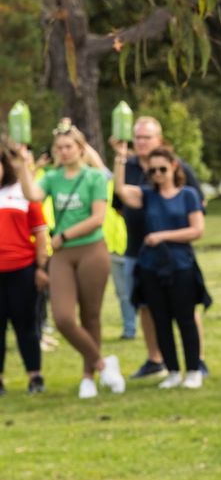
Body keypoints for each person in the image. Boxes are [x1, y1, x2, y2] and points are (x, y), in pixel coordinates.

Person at [13, 123, 124, 398]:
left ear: (80, 148)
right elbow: (32, 196)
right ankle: (102, 364)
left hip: (91, 250)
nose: (63, 152)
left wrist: (64, 234)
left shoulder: (94, 178)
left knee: (91, 316)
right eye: (59, 148)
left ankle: (88, 376)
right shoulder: (52, 177)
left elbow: (98, 217)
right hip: (62, 254)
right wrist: (23, 166)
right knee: (63, 317)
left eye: (68, 147)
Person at [113, 117, 209, 380]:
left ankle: (195, 365)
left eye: (162, 170)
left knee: (185, 314)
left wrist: (162, 235)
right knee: (156, 314)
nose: (157, 174)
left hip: (179, 262)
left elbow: (198, 226)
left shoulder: (186, 190)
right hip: (145, 259)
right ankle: (165, 366)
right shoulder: (146, 191)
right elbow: (120, 192)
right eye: (152, 171)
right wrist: (120, 157)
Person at [0, 146, 49, 395]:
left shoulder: (21, 192)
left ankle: (35, 377)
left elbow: (40, 232)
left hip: (22, 270)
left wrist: (41, 268)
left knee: (26, 325)